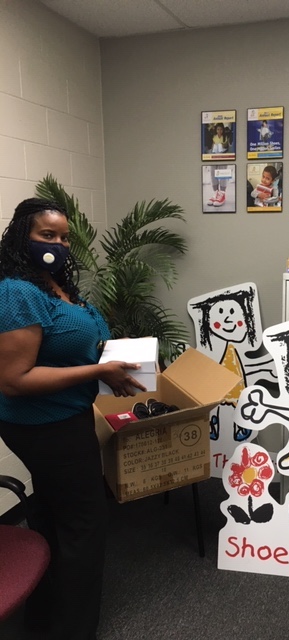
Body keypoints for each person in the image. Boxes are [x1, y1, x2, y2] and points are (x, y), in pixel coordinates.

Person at [0, 198, 146, 639]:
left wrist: (111, 354)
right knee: (85, 522)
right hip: (44, 425)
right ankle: (72, 628)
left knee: (53, 511)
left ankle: (43, 614)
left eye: (64, 237)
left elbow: (70, 344)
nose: (60, 244)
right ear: (21, 236)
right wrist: (99, 370)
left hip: (68, 417)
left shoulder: (53, 284)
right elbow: (14, 379)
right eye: (48, 235)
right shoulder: (16, 292)